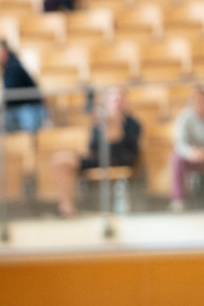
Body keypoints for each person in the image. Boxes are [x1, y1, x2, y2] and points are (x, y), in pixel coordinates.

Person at [50, 86, 141, 217]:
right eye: (113, 100)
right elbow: (92, 148)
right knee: (61, 160)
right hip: (98, 159)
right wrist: (103, 125)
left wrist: (115, 125)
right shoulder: (99, 123)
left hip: (119, 159)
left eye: (119, 99)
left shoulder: (133, 124)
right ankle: (67, 207)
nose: (116, 103)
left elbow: (130, 151)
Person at [0, 40, 44, 133]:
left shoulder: (13, 67)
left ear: (3, 51)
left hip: (29, 110)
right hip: (22, 110)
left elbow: (9, 96)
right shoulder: (8, 66)